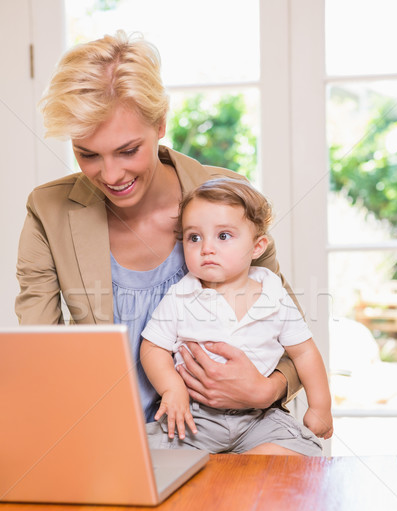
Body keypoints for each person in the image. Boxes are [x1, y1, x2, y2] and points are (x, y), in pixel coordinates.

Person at [16, 30, 302, 428]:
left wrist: (266, 391)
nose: (111, 174)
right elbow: (39, 351)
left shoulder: (228, 200)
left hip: (227, 432)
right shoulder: (48, 210)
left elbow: (292, 337)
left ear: (161, 123)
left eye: (128, 150)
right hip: (108, 437)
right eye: (88, 154)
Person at [141, 178, 333, 455]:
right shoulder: (181, 295)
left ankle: (246, 469)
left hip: (259, 418)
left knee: (301, 453)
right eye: (194, 237)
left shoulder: (273, 294)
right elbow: (152, 347)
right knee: (140, 457)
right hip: (194, 417)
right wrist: (172, 389)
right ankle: (218, 475)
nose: (206, 248)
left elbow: (304, 353)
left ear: (257, 247)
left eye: (223, 236)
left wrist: (320, 406)